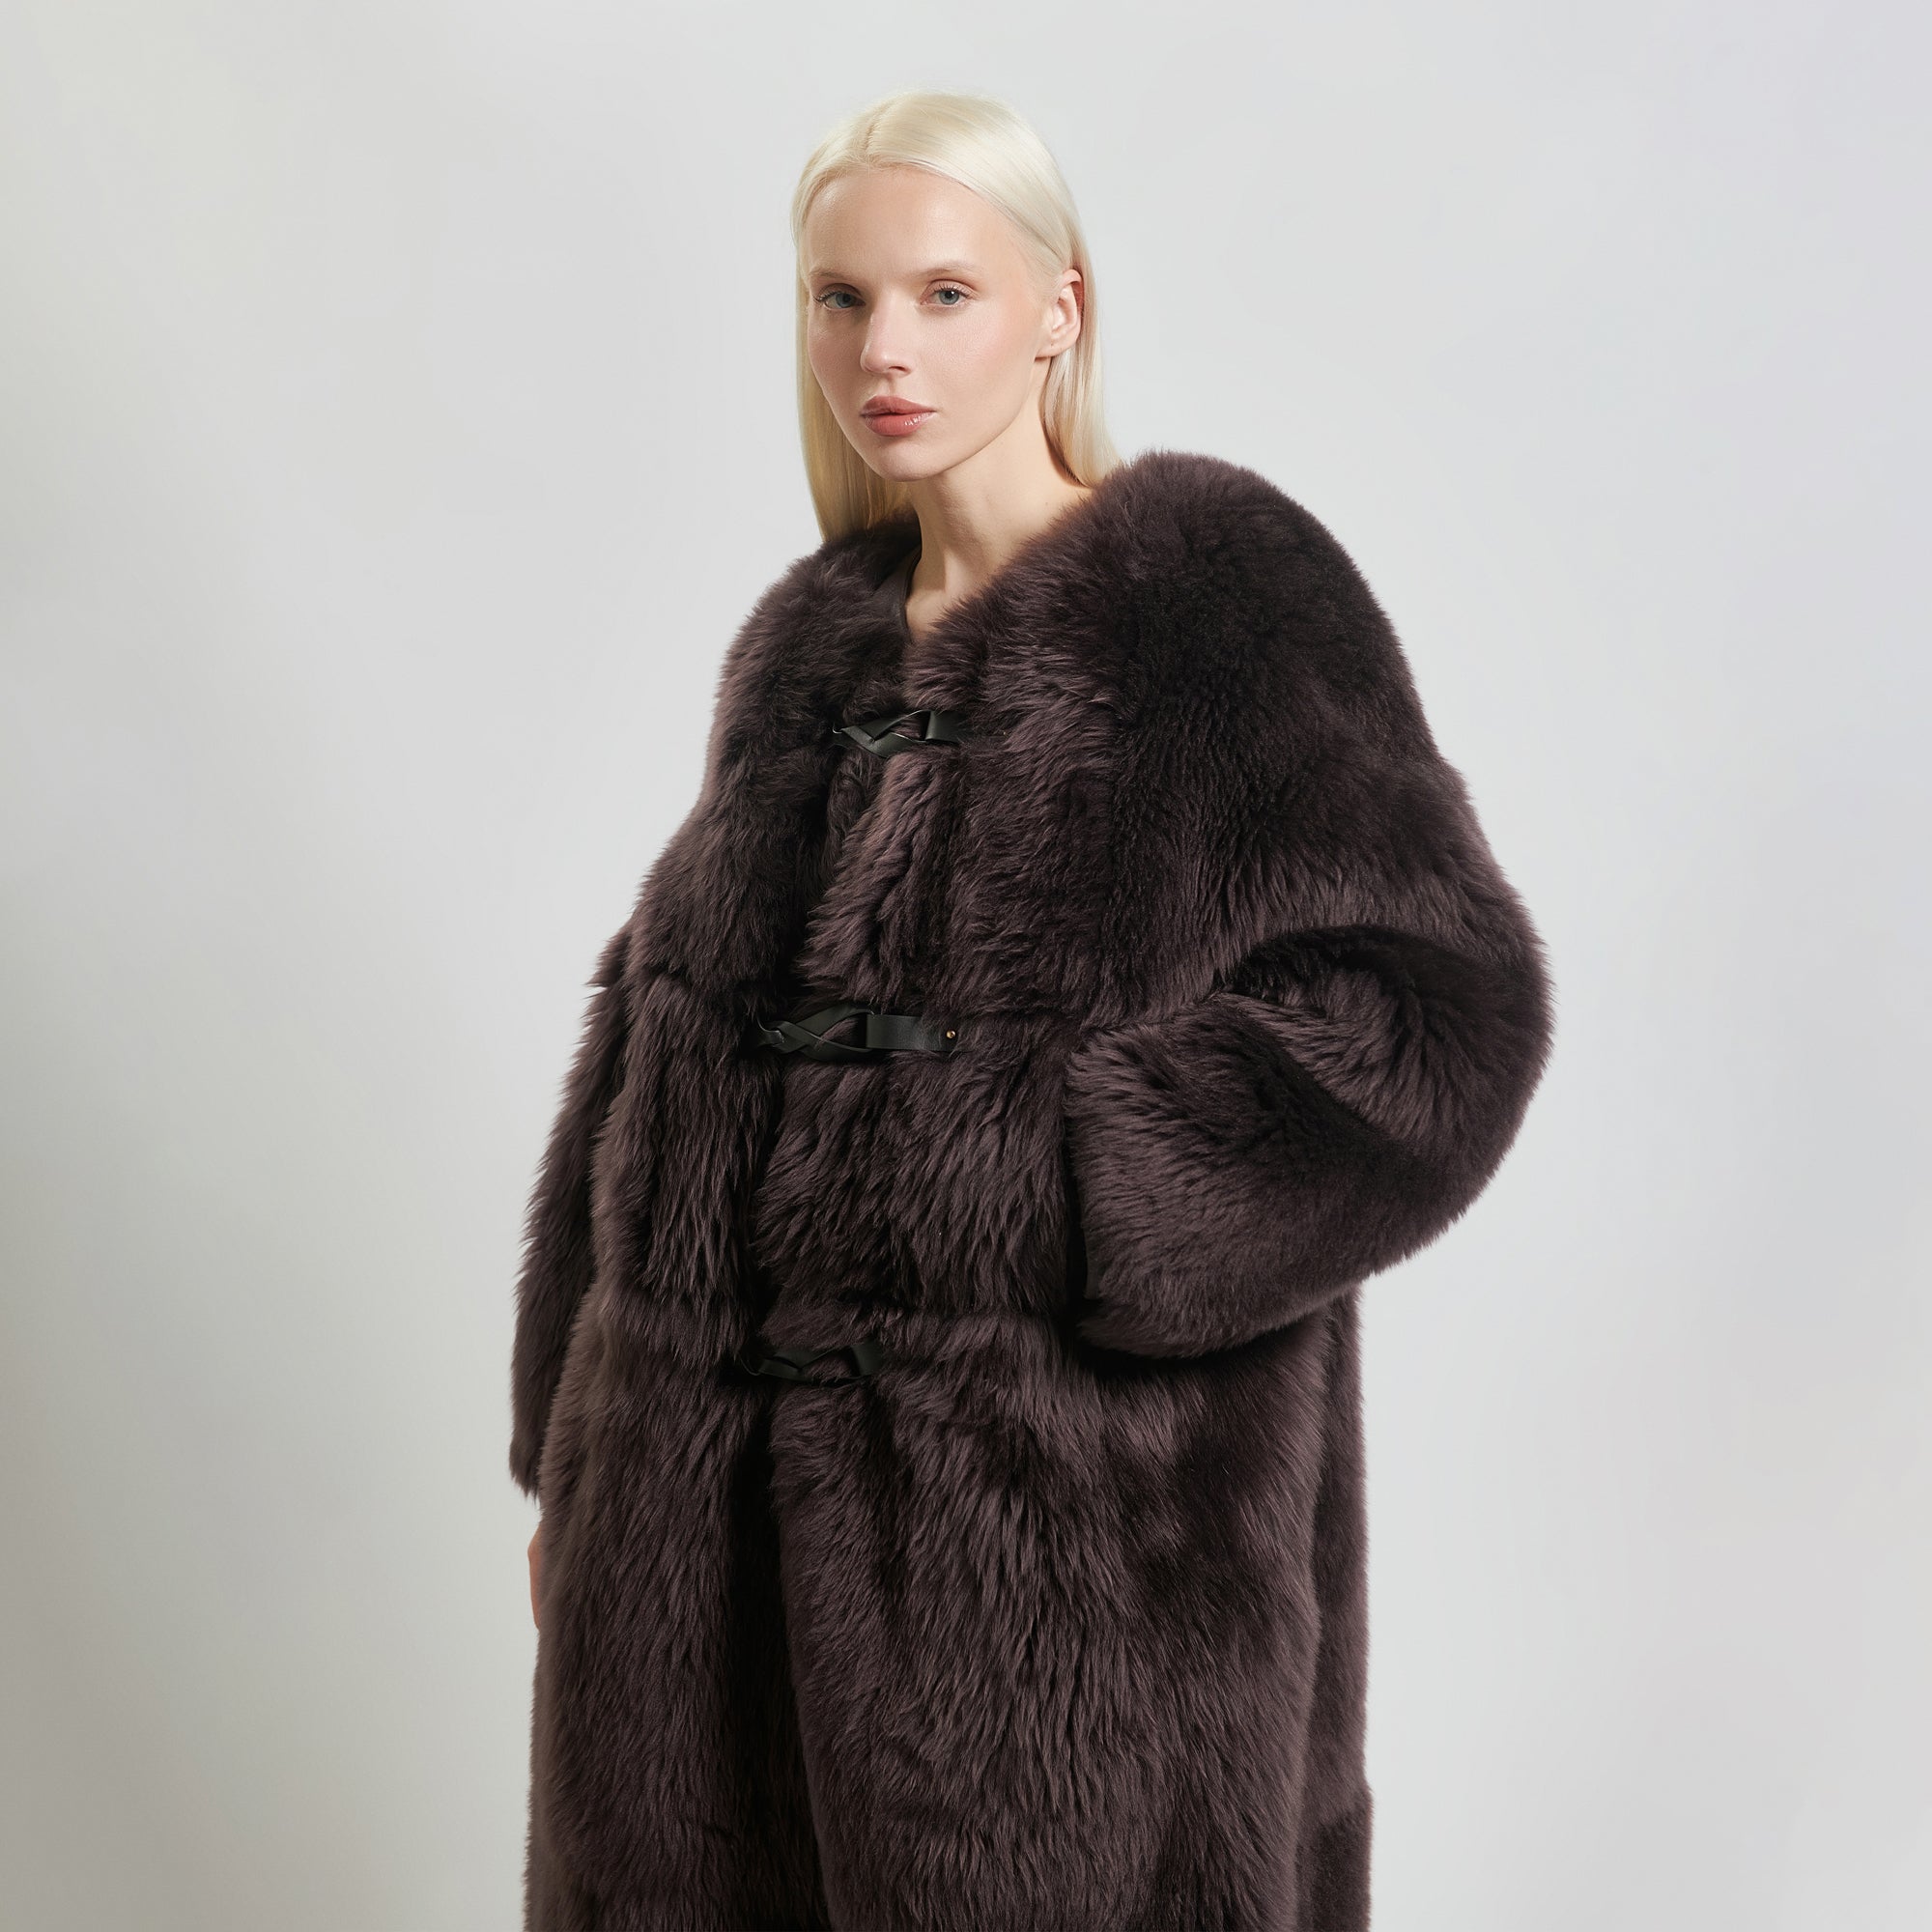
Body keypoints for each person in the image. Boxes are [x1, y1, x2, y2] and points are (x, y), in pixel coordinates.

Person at [511, 88, 1551, 1932]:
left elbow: (1436, 1011)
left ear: (1059, 308)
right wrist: (573, 1457)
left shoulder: (1215, 600)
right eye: (841, 300)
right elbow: (653, 1054)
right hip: (696, 1577)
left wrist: (1069, 1186)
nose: (884, 352)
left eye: (944, 294)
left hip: (1075, 1586)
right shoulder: (807, 648)